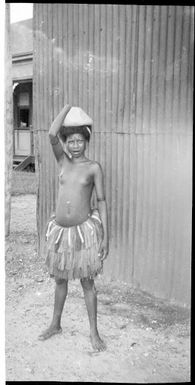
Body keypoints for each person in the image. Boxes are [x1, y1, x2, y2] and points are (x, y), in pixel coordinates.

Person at [38, 104, 109, 351]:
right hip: (60, 233)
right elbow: (51, 134)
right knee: (60, 280)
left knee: (87, 284)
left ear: (86, 142)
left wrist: (105, 238)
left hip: (83, 234)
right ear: (66, 143)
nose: (75, 145)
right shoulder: (63, 162)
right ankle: (55, 324)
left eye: (80, 140)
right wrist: (67, 107)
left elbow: (101, 202)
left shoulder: (93, 168)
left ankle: (94, 332)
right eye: (71, 140)